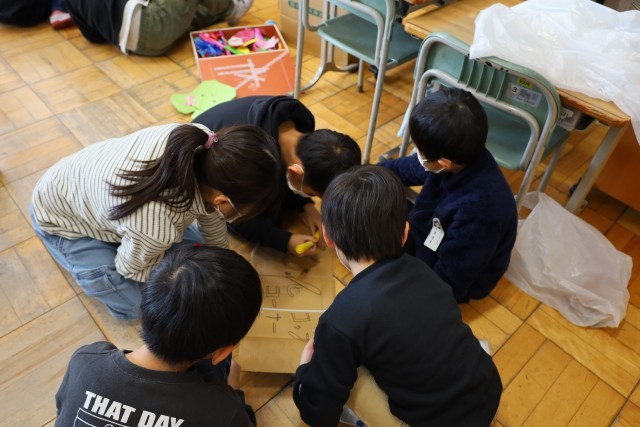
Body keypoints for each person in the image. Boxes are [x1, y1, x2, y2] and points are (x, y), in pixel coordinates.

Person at [293, 165, 502, 426]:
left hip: (440, 421)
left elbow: (317, 413)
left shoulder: (340, 320)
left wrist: (304, 370)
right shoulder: (423, 271)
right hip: (488, 391)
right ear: (404, 233)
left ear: (328, 236)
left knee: (350, 374)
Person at [31, 123, 282, 320]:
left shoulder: (205, 143)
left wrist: (221, 258)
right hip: (63, 219)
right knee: (138, 305)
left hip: (88, 187)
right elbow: (130, 268)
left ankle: (130, 240)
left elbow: (211, 215)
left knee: (196, 254)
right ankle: (86, 254)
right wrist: (184, 277)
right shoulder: (156, 224)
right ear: (223, 200)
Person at [54, 245, 262, 426]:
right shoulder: (223, 412)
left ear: (147, 305)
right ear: (222, 352)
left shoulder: (86, 361)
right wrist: (233, 391)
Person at [379, 87, 518, 303]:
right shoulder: (459, 154)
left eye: (419, 150)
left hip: (453, 276)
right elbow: (404, 169)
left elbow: (449, 281)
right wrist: (364, 176)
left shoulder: (480, 211)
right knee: (376, 206)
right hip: (433, 232)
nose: (417, 155)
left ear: (443, 163)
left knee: (379, 273)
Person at [194, 95, 362, 255]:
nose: (311, 196)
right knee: (266, 218)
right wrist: (285, 240)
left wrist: (307, 206)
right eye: (311, 193)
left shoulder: (299, 127)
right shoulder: (250, 162)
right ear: (294, 171)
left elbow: (296, 178)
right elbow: (239, 213)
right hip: (205, 169)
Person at [62, 0, 254, 56]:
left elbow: (93, 37)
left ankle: (220, 10)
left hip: (134, 46)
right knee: (169, 13)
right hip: (151, 24)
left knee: (183, 12)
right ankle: (232, 9)